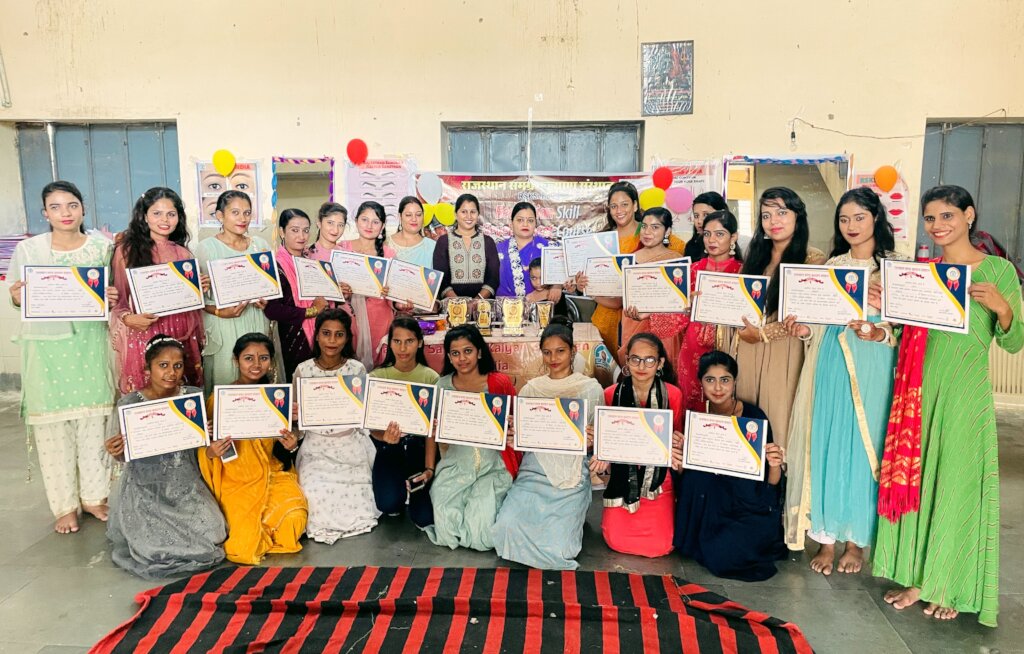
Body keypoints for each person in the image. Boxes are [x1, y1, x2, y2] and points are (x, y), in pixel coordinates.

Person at [875, 185, 1022, 626]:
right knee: (923, 484)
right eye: (930, 218)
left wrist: (1003, 308)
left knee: (957, 484)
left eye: (947, 216)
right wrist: (881, 322)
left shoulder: (997, 270)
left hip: (965, 393)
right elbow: (903, 333)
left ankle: (951, 583)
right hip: (919, 391)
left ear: (969, 216)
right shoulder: (923, 273)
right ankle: (919, 578)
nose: (937, 225)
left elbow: (1014, 343)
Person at [784, 187, 902, 572]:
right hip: (831, 362)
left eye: (859, 217)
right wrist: (803, 329)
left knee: (865, 448)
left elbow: (908, 330)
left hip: (873, 364)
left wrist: (880, 329)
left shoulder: (896, 268)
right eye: (844, 219)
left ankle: (856, 541)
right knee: (828, 442)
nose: (851, 225)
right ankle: (826, 539)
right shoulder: (832, 266)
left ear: (876, 218)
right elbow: (817, 321)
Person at [8, 181, 118, 534]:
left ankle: (95, 497)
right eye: (55, 207)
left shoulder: (102, 248)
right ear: (45, 213)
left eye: (72, 205)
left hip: (90, 344)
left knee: (94, 422)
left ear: (83, 208)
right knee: (53, 429)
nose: (65, 213)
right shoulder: (29, 250)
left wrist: (111, 296)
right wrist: (17, 297)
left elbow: (113, 292)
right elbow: (16, 296)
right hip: (46, 352)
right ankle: (64, 506)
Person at [104, 334, 226, 579]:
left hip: (186, 483)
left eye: (177, 365)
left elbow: (201, 448)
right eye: (163, 365)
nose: (171, 372)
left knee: (215, 532)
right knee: (153, 546)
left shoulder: (192, 397)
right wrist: (117, 452)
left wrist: (211, 447)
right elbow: (124, 457)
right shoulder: (129, 403)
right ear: (147, 368)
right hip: (146, 486)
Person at [492, 316, 605, 569]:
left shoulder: (590, 388)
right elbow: (523, 440)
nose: (554, 358)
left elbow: (597, 443)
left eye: (560, 351)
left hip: (572, 473)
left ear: (573, 351)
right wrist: (512, 434)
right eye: (547, 352)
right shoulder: (531, 389)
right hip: (535, 471)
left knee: (560, 547)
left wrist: (590, 441)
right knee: (505, 529)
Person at [726, 187, 826, 451]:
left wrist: (762, 335)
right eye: (766, 215)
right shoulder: (754, 256)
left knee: (779, 414)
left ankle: (777, 471)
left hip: (785, 348)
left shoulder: (813, 259)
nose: (773, 221)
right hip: (747, 346)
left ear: (797, 216)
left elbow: (804, 314)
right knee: (747, 409)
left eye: (782, 212)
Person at [673, 351, 787, 581]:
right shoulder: (696, 417)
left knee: (728, 556)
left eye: (725, 380)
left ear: (735, 382)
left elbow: (770, 482)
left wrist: (775, 463)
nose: (718, 387)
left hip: (744, 506)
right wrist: (679, 457)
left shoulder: (754, 418)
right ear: (701, 382)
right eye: (710, 380)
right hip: (707, 504)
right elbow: (689, 476)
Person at [198, 333, 307, 565]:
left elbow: (284, 447)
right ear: (236, 360)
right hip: (236, 480)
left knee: (294, 521)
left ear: (271, 361)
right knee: (243, 545)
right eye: (249, 358)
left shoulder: (278, 399)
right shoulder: (218, 399)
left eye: (263, 358)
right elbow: (204, 450)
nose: (256, 365)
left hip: (272, 474)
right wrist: (211, 452)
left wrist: (291, 445)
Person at [425, 325, 519, 551]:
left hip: (493, 466)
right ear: (449, 357)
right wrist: (429, 468)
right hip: (456, 465)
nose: (462, 358)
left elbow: (518, 423)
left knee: (482, 537)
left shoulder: (499, 383)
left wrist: (512, 427)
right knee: (446, 531)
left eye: (467, 351)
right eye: (455, 353)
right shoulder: (442, 386)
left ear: (479, 352)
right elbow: (431, 432)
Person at [294, 309, 379, 543]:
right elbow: (297, 423)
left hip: (350, 443)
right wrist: (296, 417)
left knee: (360, 494)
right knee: (313, 492)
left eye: (339, 334)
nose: (332, 340)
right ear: (317, 336)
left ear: (347, 338)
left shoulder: (356, 369)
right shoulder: (303, 370)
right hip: (316, 447)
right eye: (326, 333)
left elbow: (364, 414)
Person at [110, 187, 206, 394]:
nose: (165, 220)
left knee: (178, 391)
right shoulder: (126, 251)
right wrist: (128, 318)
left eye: (171, 214)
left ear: (179, 217)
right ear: (144, 216)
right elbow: (118, 298)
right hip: (144, 332)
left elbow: (191, 302)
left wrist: (198, 289)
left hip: (180, 332)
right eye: (157, 213)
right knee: (148, 394)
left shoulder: (183, 254)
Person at [599, 332, 684, 557]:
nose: (642, 366)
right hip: (622, 476)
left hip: (658, 479)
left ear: (660, 363)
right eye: (635, 359)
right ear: (627, 361)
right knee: (615, 538)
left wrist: (676, 441)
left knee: (662, 544)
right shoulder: (610, 394)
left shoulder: (673, 395)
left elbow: (674, 437)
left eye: (649, 360)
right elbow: (607, 439)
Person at [651, 209, 744, 412]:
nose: (712, 240)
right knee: (692, 408)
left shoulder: (743, 273)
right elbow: (664, 323)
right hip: (692, 351)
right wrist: (684, 308)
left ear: (733, 237)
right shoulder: (690, 272)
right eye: (707, 234)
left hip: (731, 347)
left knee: (726, 407)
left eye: (719, 234)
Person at [368, 316, 441, 528]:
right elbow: (372, 427)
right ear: (389, 344)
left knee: (424, 518)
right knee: (389, 504)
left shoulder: (431, 378)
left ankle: (414, 488)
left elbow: (431, 431)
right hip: (389, 447)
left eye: (409, 341)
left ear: (420, 342)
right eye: (397, 341)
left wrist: (429, 468)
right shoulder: (377, 376)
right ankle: (398, 489)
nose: (403, 348)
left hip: (419, 448)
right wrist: (385, 437)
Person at [195, 191, 271, 392]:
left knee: (258, 376)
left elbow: (270, 287)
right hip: (224, 325)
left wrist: (267, 301)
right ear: (220, 216)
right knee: (226, 380)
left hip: (256, 320)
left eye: (247, 213)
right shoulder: (205, 249)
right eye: (235, 212)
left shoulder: (260, 245)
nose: (243, 218)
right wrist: (220, 311)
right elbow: (196, 300)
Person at [337, 201, 405, 369]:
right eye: (364, 220)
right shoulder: (341, 249)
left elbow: (396, 294)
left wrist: (392, 294)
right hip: (349, 316)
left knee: (380, 365)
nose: (369, 226)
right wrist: (340, 289)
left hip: (380, 318)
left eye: (375, 222)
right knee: (348, 366)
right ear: (356, 221)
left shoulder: (389, 254)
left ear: (382, 226)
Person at [264, 208, 330, 382]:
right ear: (281, 232)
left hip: (317, 334)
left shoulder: (311, 263)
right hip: (291, 337)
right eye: (295, 230)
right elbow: (272, 310)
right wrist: (311, 311)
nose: (302, 236)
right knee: (298, 384)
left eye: (306, 230)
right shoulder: (275, 266)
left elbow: (322, 298)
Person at [620, 207, 686, 366]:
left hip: (665, 332)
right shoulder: (629, 260)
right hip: (633, 323)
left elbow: (680, 304)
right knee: (636, 365)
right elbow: (620, 297)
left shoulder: (676, 261)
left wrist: (652, 313)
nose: (647, 232)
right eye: (644, 226)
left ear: (667, 231)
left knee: (661, 369)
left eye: (655, 227)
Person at [433, 193, 500, 302]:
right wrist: (459, 303)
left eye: (473, 212)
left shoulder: (488, 242)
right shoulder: (443, 242)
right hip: (451, 305)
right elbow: (441, 278)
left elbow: (493, 278)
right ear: (456, 214)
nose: (469, 216)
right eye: (464, 212)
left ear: (478, 215)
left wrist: (476, 301)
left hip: (482, 305)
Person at [496, 201, 555, 302]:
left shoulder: (547, 248)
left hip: (541, 307)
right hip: (505, 307)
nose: (525, 224)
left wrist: (555, 287)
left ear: (535, 224)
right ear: (511, 224)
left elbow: (562, 278)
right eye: (520, 220)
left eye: (530, 220)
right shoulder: (499, 249)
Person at [387, 196, 436, 268]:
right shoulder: (386, 244)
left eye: (418, 215)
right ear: (400, 216)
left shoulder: (432, 247)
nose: (414, 219)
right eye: (408, 215)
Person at [683, 191, 729, 262]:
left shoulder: (732, 244)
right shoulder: (691, 246)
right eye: (696, 216)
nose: (699, 221)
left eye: (706, 215)